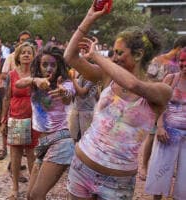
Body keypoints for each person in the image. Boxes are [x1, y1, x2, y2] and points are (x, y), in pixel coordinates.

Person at [64, 3, 172, 200]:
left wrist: (96, 56)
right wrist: (90, 17)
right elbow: (69, 57)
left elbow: (133, 84)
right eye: (112, 52)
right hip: (82, 166)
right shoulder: (107, 76)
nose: (113, 58)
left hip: (118, 181)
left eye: (119, 53)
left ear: (139, 55)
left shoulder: (161, 90)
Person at [15, 44, 75, 199]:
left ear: (59, 66)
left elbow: (68, 97)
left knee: (37, 194)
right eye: (45, 64)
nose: (49, 69)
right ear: (39, 65)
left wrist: (63, 93)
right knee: (30, 195)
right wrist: (35, 80)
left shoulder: (65, 83)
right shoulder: (36, 82)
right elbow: (18, 84)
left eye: (53, 65)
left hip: (61, 141)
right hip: (42, 143)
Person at [140, 36, 186, 180]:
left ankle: (170, 168)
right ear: (179, 48)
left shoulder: (179, 63)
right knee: (153, 134)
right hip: (158, 102)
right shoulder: (159, 60)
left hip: (173, 106)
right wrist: (161, 86)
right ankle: (144, 166)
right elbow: (147, 79)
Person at [0, 42, 39, 199]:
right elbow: (6, 98)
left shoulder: (37, 74)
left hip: (35, 120)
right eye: (23, 52)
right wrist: (3, 120)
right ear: (17, 56)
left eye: (29, 52)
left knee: (32, 155)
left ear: (33, 56)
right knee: (15, 156)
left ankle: (32, 189)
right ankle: (15, 189)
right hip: (16, 118)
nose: (26, 55)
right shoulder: (11, 75)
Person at [68, 70, 98, 142]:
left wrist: (72, 79)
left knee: (85, 138)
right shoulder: (81, 76)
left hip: (86, 111)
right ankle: (74, 151)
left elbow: (81, 92)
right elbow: (74, 91)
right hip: (76, 109)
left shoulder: (92, 79)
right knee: (73, 136)